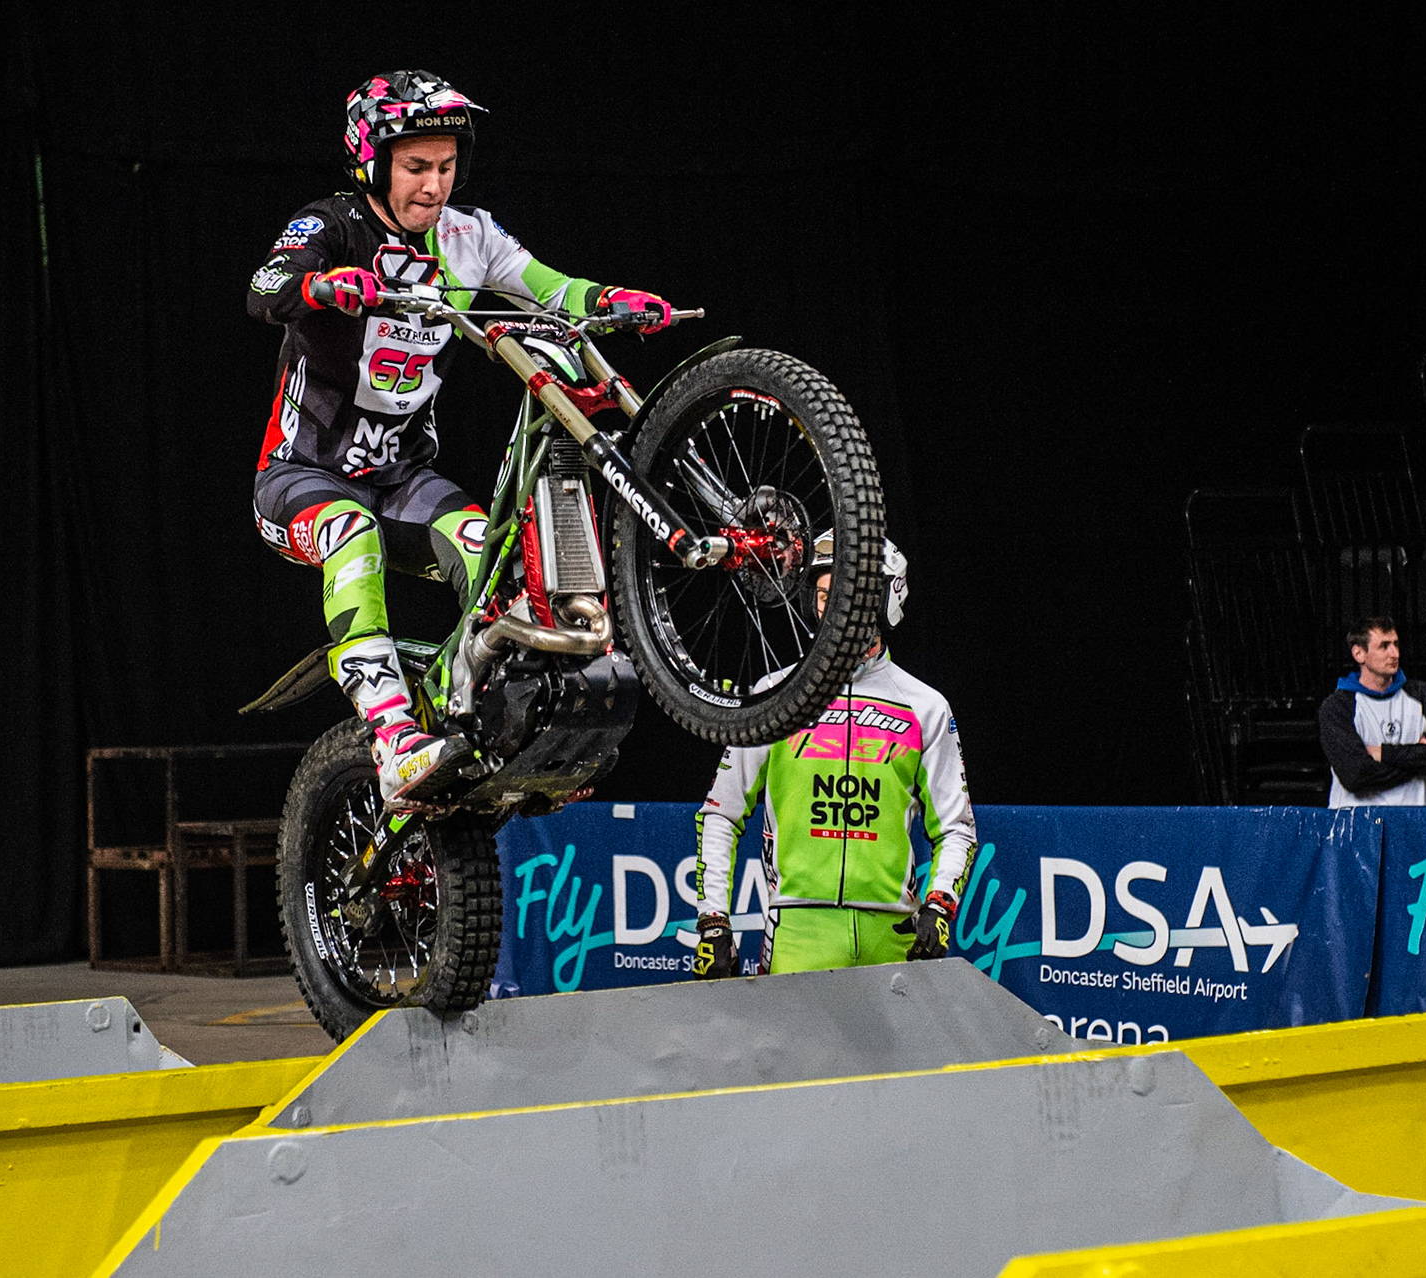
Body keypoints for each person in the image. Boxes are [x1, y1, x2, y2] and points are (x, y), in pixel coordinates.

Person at [246, 70, 670, 806]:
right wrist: (323, 286)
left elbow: (549, 286)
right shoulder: (332, 224)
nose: (434, 185)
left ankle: (500, 728)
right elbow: (262, 285)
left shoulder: (470, 237)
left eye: (446, 166)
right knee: (351, 534)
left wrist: (612, 299)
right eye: (416, 167)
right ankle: (392, 738)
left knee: (496, 556)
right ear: (372, 163)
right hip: (300, 477)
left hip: (404, 481)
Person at [692, 536, 977, 978]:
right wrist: (713, 922)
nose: (837, 609)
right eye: (826, 595)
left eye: (852, 595)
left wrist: (940, 905)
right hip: (798, 933)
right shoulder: (774, 695)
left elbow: (957, 828)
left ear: (885, 602)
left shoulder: (926, 706)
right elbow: (720, 814)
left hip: (893, 936)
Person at [1320, 616, 1426, 806]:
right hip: (1359, 820)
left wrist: (1383, 754)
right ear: (1359, 654)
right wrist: (1420, 758)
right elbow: (1355, 775)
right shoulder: (1337, 706)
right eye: (1384, 646)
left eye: (1396, 644)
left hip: (1415, 818)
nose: (1394, 653)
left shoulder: (1425, 695)